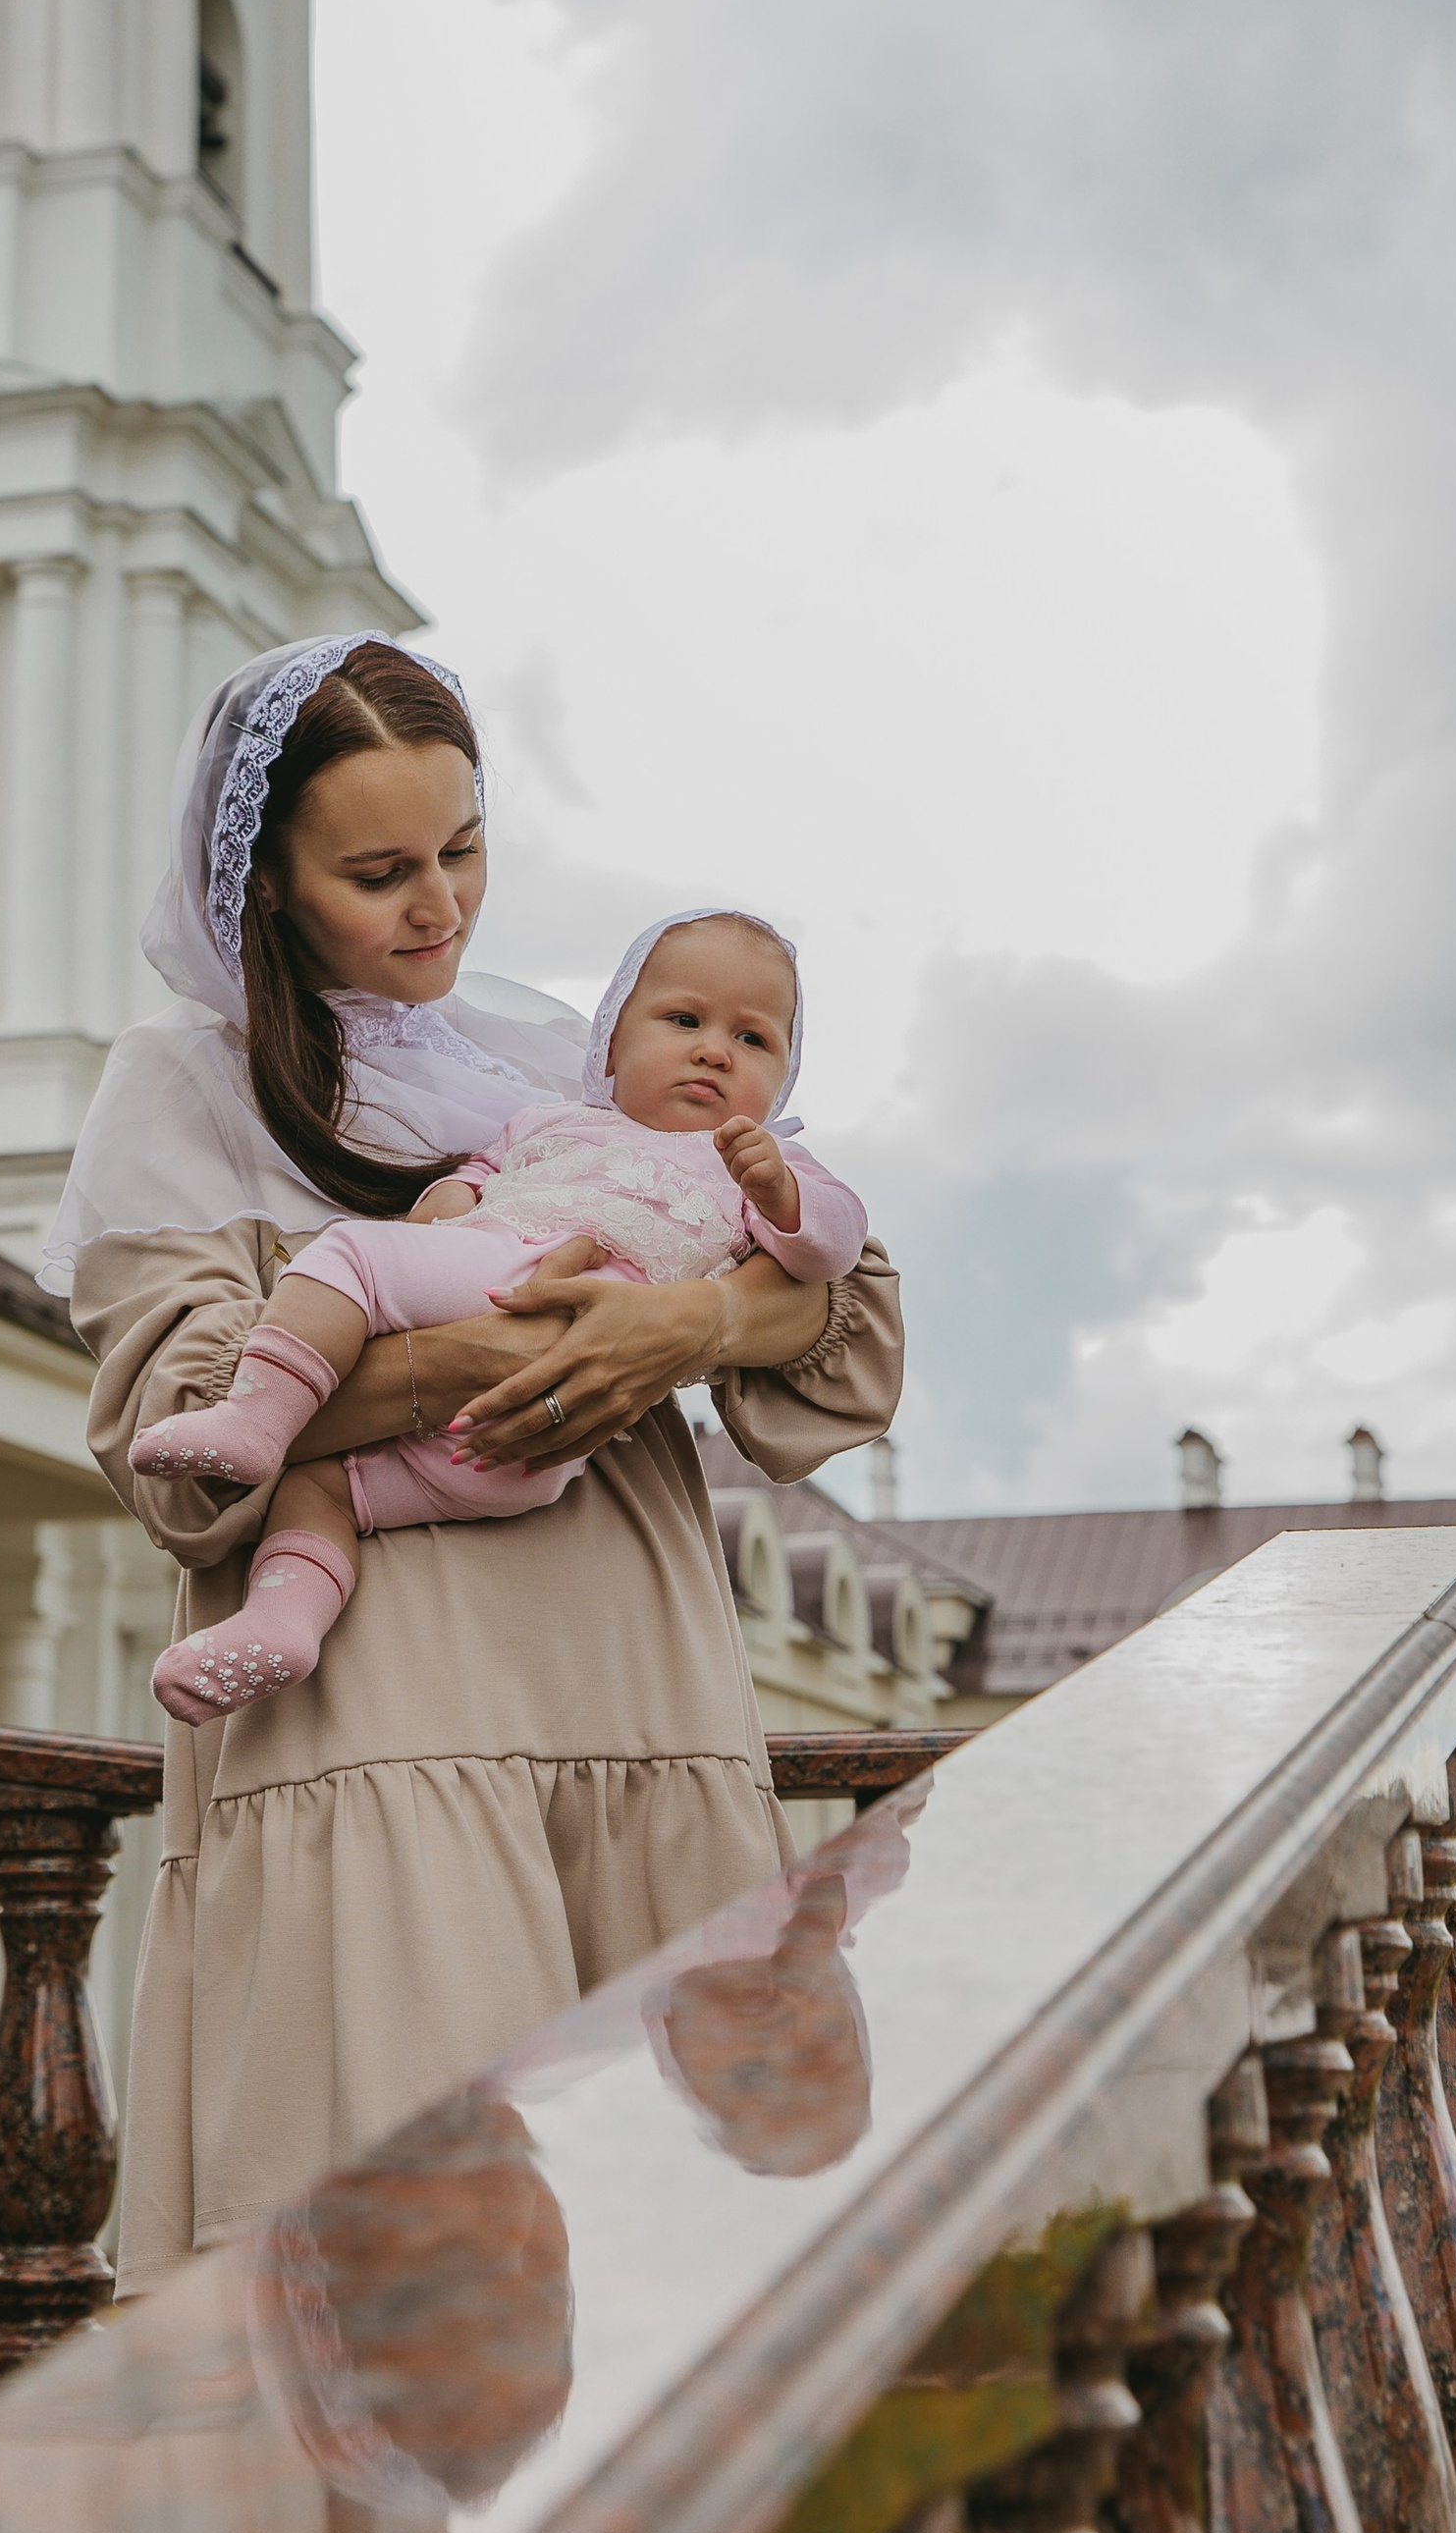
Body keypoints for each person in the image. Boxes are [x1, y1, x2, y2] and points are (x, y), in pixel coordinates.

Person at [47, 631, 903, 2290]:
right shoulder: (182, 1088)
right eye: (378, 872)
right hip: (381, 1710)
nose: (440, 906)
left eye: (464, 848)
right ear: (266, 888)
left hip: (639, 1694)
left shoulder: (558, 1056)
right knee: (406, 2247)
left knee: (675, 2247)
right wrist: (503, 1349)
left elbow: (843, 1320)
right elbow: (179, 1446)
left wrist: (688, 1330)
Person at [129, 907, 868, 1720]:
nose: (713, 1051)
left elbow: (835, 1250)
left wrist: (783, 1194)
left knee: (346, 1255)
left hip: (547, 1366)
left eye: (754, 1040)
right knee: (323, 1489)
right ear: (611, 1048)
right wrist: (450, 1200)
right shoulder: (551, 1121)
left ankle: (254, 1417)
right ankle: (283, 1623)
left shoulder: (765, 1164)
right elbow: (478, 1176)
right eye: (684, 1020)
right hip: (524, 1437)